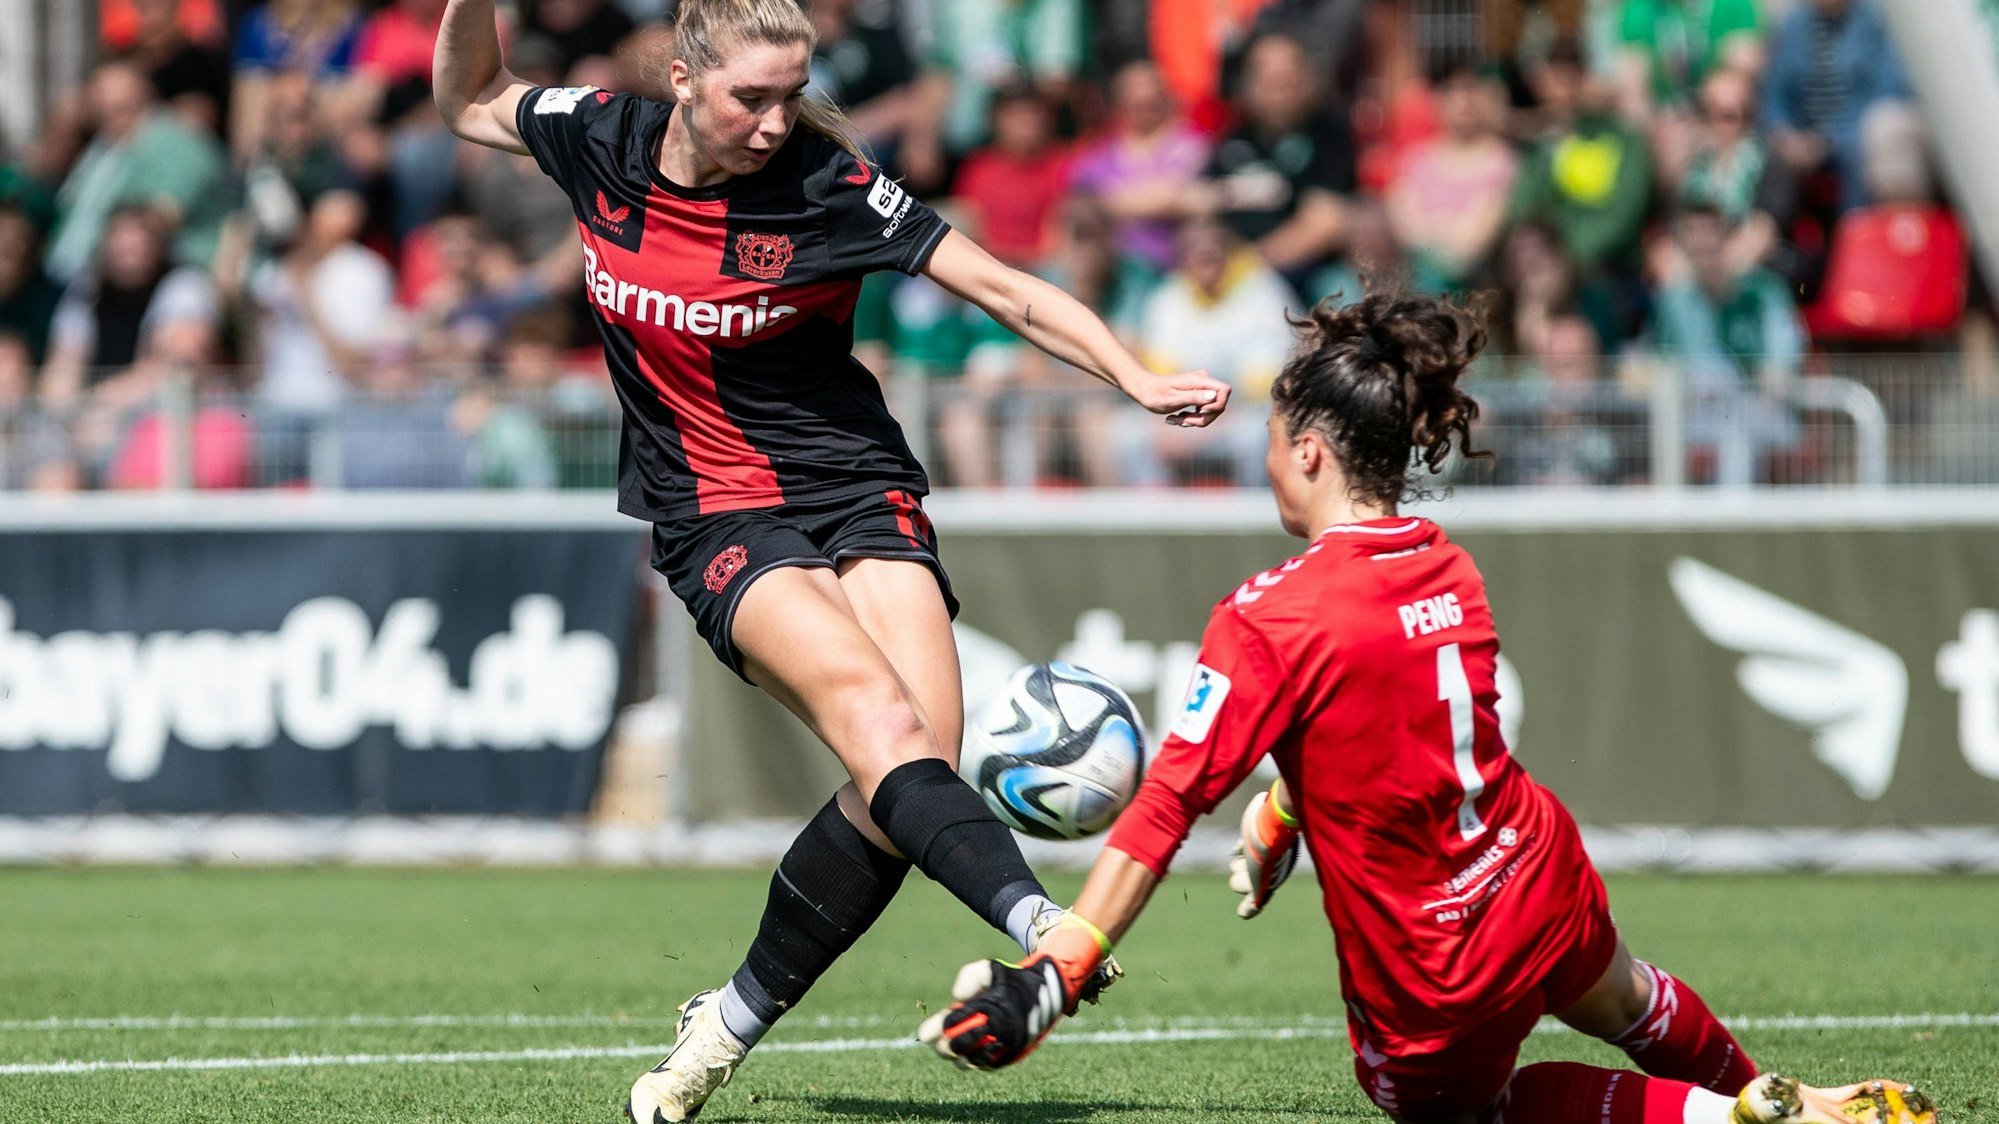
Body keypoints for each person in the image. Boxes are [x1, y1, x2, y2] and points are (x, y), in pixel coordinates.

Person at [431, 2, 1231, 1120]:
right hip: (713, 512)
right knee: (884, 726)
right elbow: (471, 96)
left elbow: (1003, 288)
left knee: (914, 769)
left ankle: (720, 1025)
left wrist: (1135, 377)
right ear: (680, 77)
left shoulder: (827, 186)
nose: (772, 123)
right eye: (748, 98)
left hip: (856, 486)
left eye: (789, 95)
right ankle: (1051, 932)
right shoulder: (598, 135)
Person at [916, 291, 1936, 1124]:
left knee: (1469, 1110)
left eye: (1272, 439)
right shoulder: (1449, 566)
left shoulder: (1267, 615)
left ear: (1309, 450)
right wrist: (1282, 810)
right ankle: (1752, 1089)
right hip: (1536, 868)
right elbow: (1381, 732)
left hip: (1436, 961)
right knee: (1624, 995)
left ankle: (1722, 1120)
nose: (1264, 458)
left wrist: (1058, 967)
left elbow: (1166, 804)